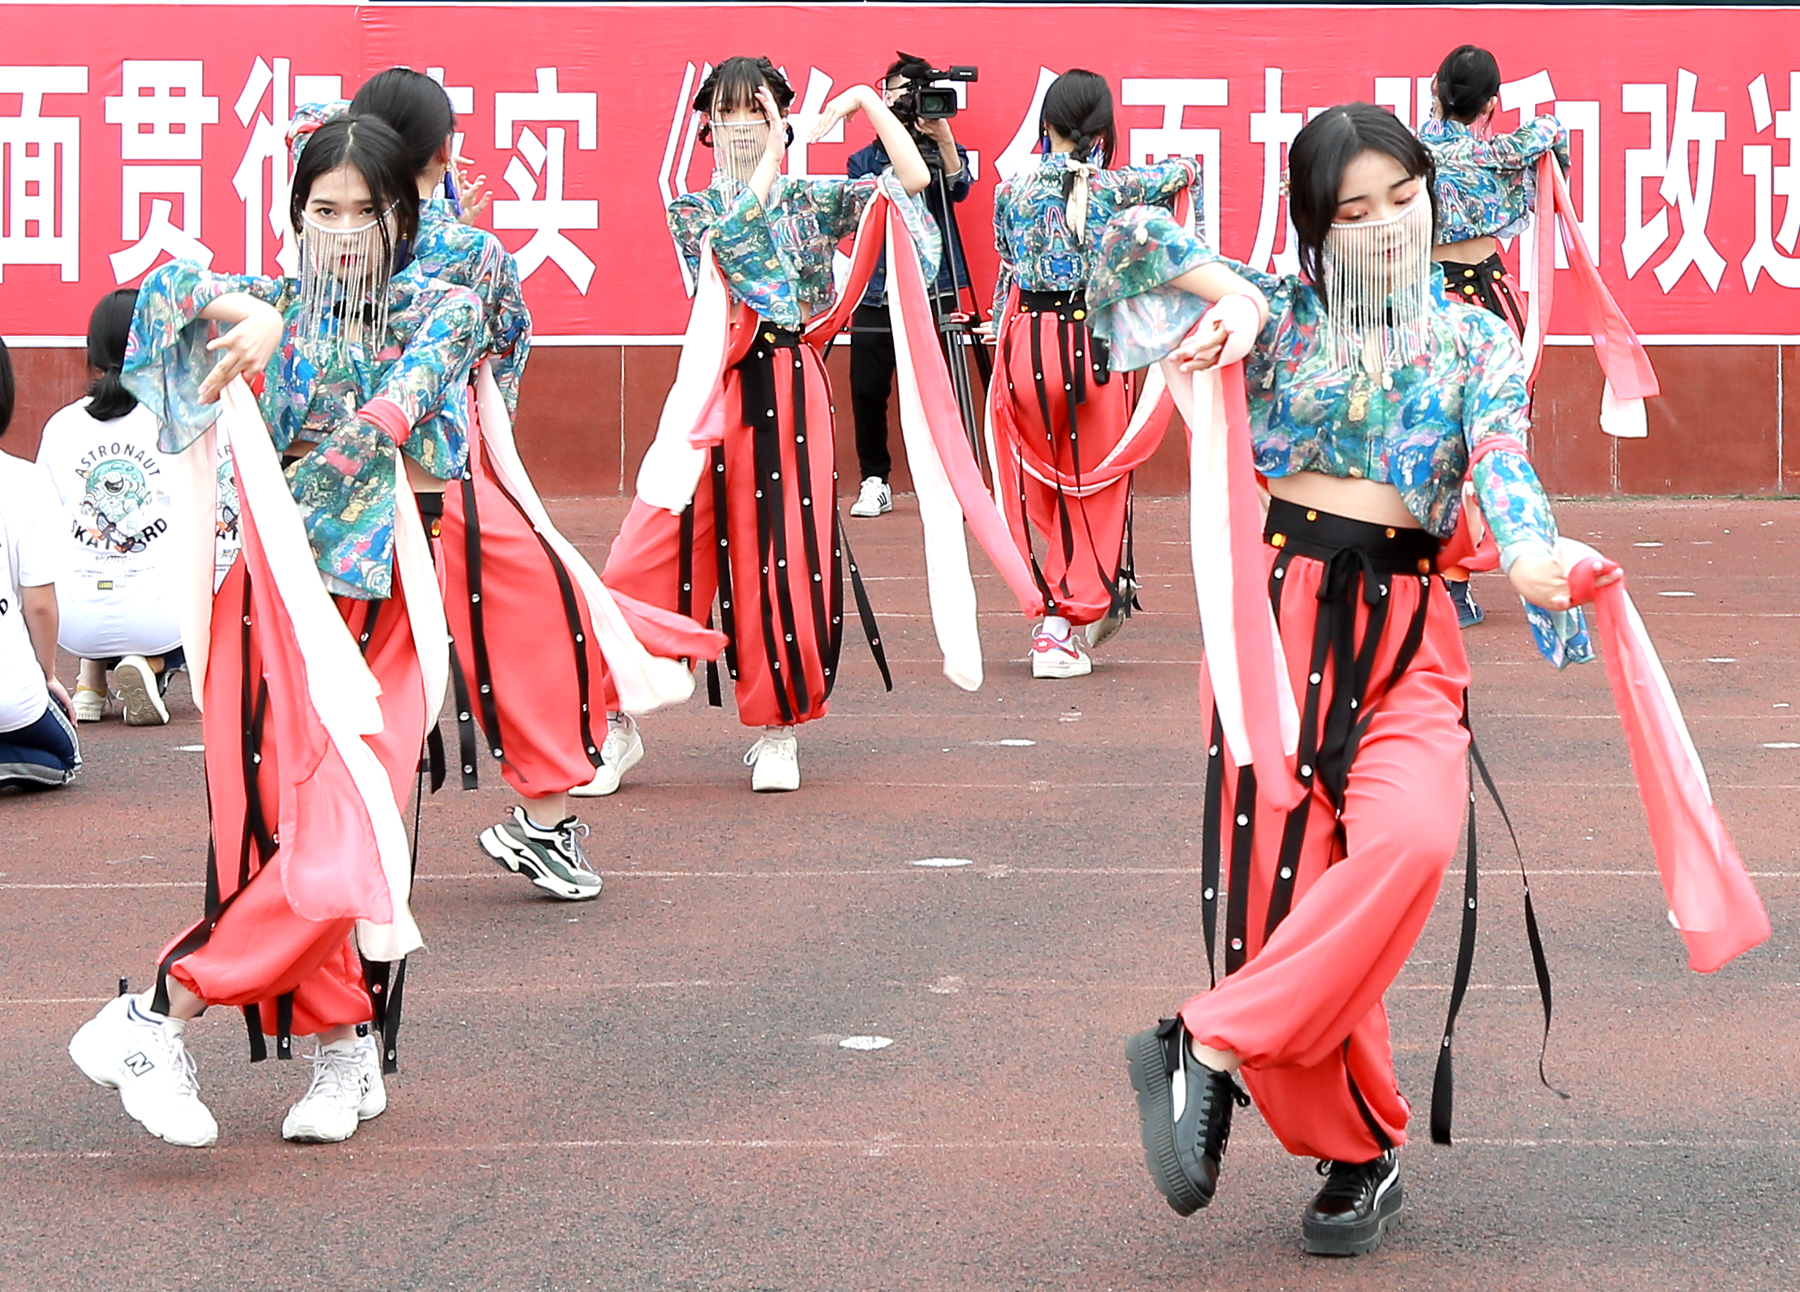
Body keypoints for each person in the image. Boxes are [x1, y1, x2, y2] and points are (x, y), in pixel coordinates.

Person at [1089, 103, 1611, 1255]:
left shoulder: (1474, 338)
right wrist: (1219, 291)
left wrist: (1533, 557)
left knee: (1409, 845)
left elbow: (1504, 463)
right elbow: (1117, 237)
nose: (1382, 228)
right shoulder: (1278, 310)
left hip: (1412, 637)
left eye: (1401, 200)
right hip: (1275, 630)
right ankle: (1358, 1154)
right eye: (1352, 210)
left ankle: (1206, 1042)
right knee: (1284, 901)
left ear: (1435, 197)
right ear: (1316, 227)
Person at [69, 114, 486, 1147]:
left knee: (350, 832)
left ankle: (160, 1013)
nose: (343, 233)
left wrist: (279, 335)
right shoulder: (277, 297)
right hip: (263, 602)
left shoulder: (444, 303)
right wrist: (235, 304)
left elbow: (390, 419)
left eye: (366, 212)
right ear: (296, 216)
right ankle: (343, 1050)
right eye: (322, 211)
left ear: (405, 217)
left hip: (378, 600)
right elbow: (152, 307)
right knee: (274, 830)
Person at [342, 68, 721, 898]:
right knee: (544, 624)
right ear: (444, 153)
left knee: (360, 657)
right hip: (444, 476)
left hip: (335, 479)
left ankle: (342, 835)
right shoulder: (472, 254)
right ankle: (544, 823)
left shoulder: (321, 229)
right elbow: (502, 354)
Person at [600, 55, 931, 792]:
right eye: (725, 110)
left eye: (755, 108)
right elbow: (737, 236)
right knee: (646, 552)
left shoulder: (812, 200)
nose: (740, 124)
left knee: (783, 557)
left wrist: (858, 105)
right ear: (708, 128)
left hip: (788, 385)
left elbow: (911, 183)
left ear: (779, 114)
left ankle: (779, 731)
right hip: (708, 392)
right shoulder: (691, 207)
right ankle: (617, 720)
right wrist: (776, 155)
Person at [988, 70, 1199, 678]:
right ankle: (1060, 625)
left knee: (1045, 478)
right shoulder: (1122, 188)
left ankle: (1061, 599)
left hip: (1028, 346)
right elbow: (1184, 172)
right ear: (1102, 128)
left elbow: (1008, 263)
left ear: (1046, 123)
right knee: (1097, 486)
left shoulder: (1013, 191)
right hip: (1094, 347)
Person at [1418, 45, 1569, 629]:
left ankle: (1431, 569)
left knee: (1426, 428)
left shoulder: (1407, 147)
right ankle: (1457, 578)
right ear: (1492, 101)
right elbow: (1550, 134)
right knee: (1489, 432)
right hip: (1486, 299)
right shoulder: (1504, 151)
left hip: (1425, 300)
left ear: (1436, 89)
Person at [35, 288, 186, 726]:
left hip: (73, 623)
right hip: (159, 619)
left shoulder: (60, 426)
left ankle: (90, 680)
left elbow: (47, 527)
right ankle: (151, 664)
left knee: (89, 563)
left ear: (93, 349)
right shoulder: (174, 420)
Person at [846, 52, 973, 520]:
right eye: (891, 92)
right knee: (867, 388)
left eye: (904, 91)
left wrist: (945, 142)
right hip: (878, 287)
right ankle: (874, 480)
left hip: (936, 285)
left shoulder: (940, 146)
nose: (897, 99)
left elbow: (959, 190)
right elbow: (883, 199)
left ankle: (950, 482)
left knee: (940, 389)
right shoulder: (864, 159)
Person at [0, 336, 81, 791]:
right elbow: (41, 607)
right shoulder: (21, 480)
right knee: (64, 754)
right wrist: (46, 675)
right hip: (8, 696)